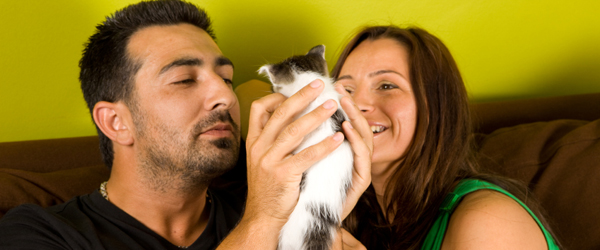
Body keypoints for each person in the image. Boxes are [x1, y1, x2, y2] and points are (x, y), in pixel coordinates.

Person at [0, 1, 373, 249]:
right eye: (184, 80)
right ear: (116, 122)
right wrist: (263, 220)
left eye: (225, 78)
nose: (225, 97)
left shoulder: (273, 215)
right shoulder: (39, 233)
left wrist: (318, 218)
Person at [332, 25, 562, 249]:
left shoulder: (486, 219)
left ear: (437, 107)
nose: (356, 104)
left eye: (386, 85)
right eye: (345, 90)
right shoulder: (354, 223)